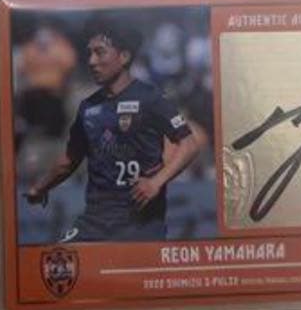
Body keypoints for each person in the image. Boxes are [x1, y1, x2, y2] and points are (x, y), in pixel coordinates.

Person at [24, 13, 200, 242]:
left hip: (141, 226)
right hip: (94, 224)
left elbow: (189, 145)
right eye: (89, 53)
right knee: (58, 259)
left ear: (124, 56)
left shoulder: (150, 98)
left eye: (100, 52)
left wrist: (156, 182)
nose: (91, 61)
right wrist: (40, 188)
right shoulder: (88, 107)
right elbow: (69, 160)